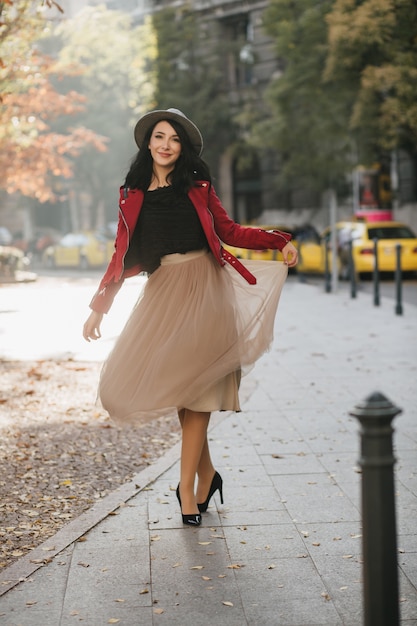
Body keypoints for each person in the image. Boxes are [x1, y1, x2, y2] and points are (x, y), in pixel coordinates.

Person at [83, 108, 298, 527]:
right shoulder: (131, 192)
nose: (166, 145)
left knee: (198, 394)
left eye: (174, 139)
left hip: (205, 287)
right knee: (183, 391)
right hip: (164, 292)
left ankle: (185, 490)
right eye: (159, 137)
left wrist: (278, 240)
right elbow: (121, 254)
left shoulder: (197, 185)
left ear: (183, 148)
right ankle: (207, 475)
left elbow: (229, 230)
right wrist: (99, 306)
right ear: (148, 142)